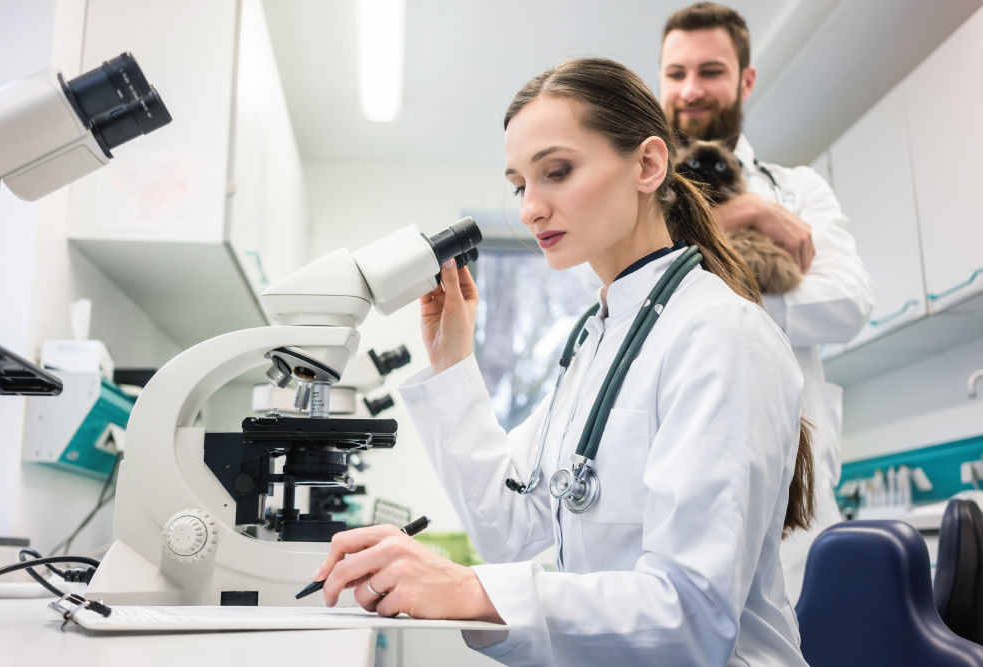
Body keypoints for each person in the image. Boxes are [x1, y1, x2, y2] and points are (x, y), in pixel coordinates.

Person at [313, 56, 815, 666]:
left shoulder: (720, 335)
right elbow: (509, 528)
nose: (529, 210)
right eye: (521, 185)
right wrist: (452, 364)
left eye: (557, 171)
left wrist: (467, 588)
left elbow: (690, 616)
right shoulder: (597, 340)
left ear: (649, 165)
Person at [659, 1, 874, 602]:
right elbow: (634, 290)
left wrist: (722, 289)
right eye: (676, 73)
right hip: (669, 492)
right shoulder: (637, 196)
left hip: (793, 509)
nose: (691, 89)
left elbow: (849, 301)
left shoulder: (797, 188)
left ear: (746, 79)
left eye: (711, 70)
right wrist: (742, 214)